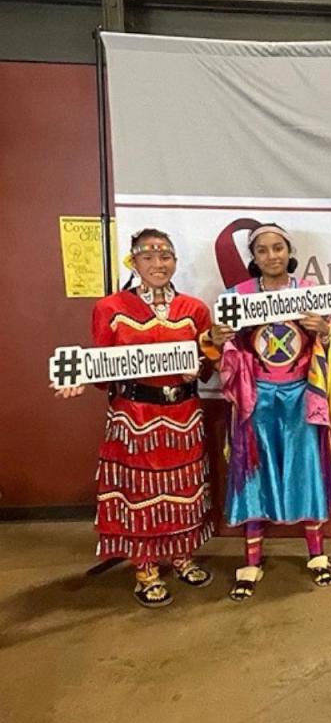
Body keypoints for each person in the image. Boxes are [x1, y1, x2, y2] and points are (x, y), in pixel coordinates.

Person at [54, 229, 214, 608]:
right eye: (149, 257)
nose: (158, 265)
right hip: (134, 416)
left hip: (183, 415)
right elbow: (103, 368)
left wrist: (201, 365)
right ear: (134, 262)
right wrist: (81, 378)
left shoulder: (194, 309)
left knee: (182, 488)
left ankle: (181, 554)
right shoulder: (110, 308)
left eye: (166, 257)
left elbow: (208, 364)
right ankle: (145, 567)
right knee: (139, 492)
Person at [207, 223, 331, 602]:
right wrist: (219, 340)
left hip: (301, 396)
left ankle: (317, 554)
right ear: (254, 257)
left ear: (289, 251)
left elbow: (327, 344)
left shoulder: (310, 294)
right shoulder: (238, 296)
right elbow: (225, 349)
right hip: (257, 398)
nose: (272, 255)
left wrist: (324, 332)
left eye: (278, 247)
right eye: (263, 250)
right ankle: (251, 559)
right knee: (253, 470)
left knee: (306, 469)